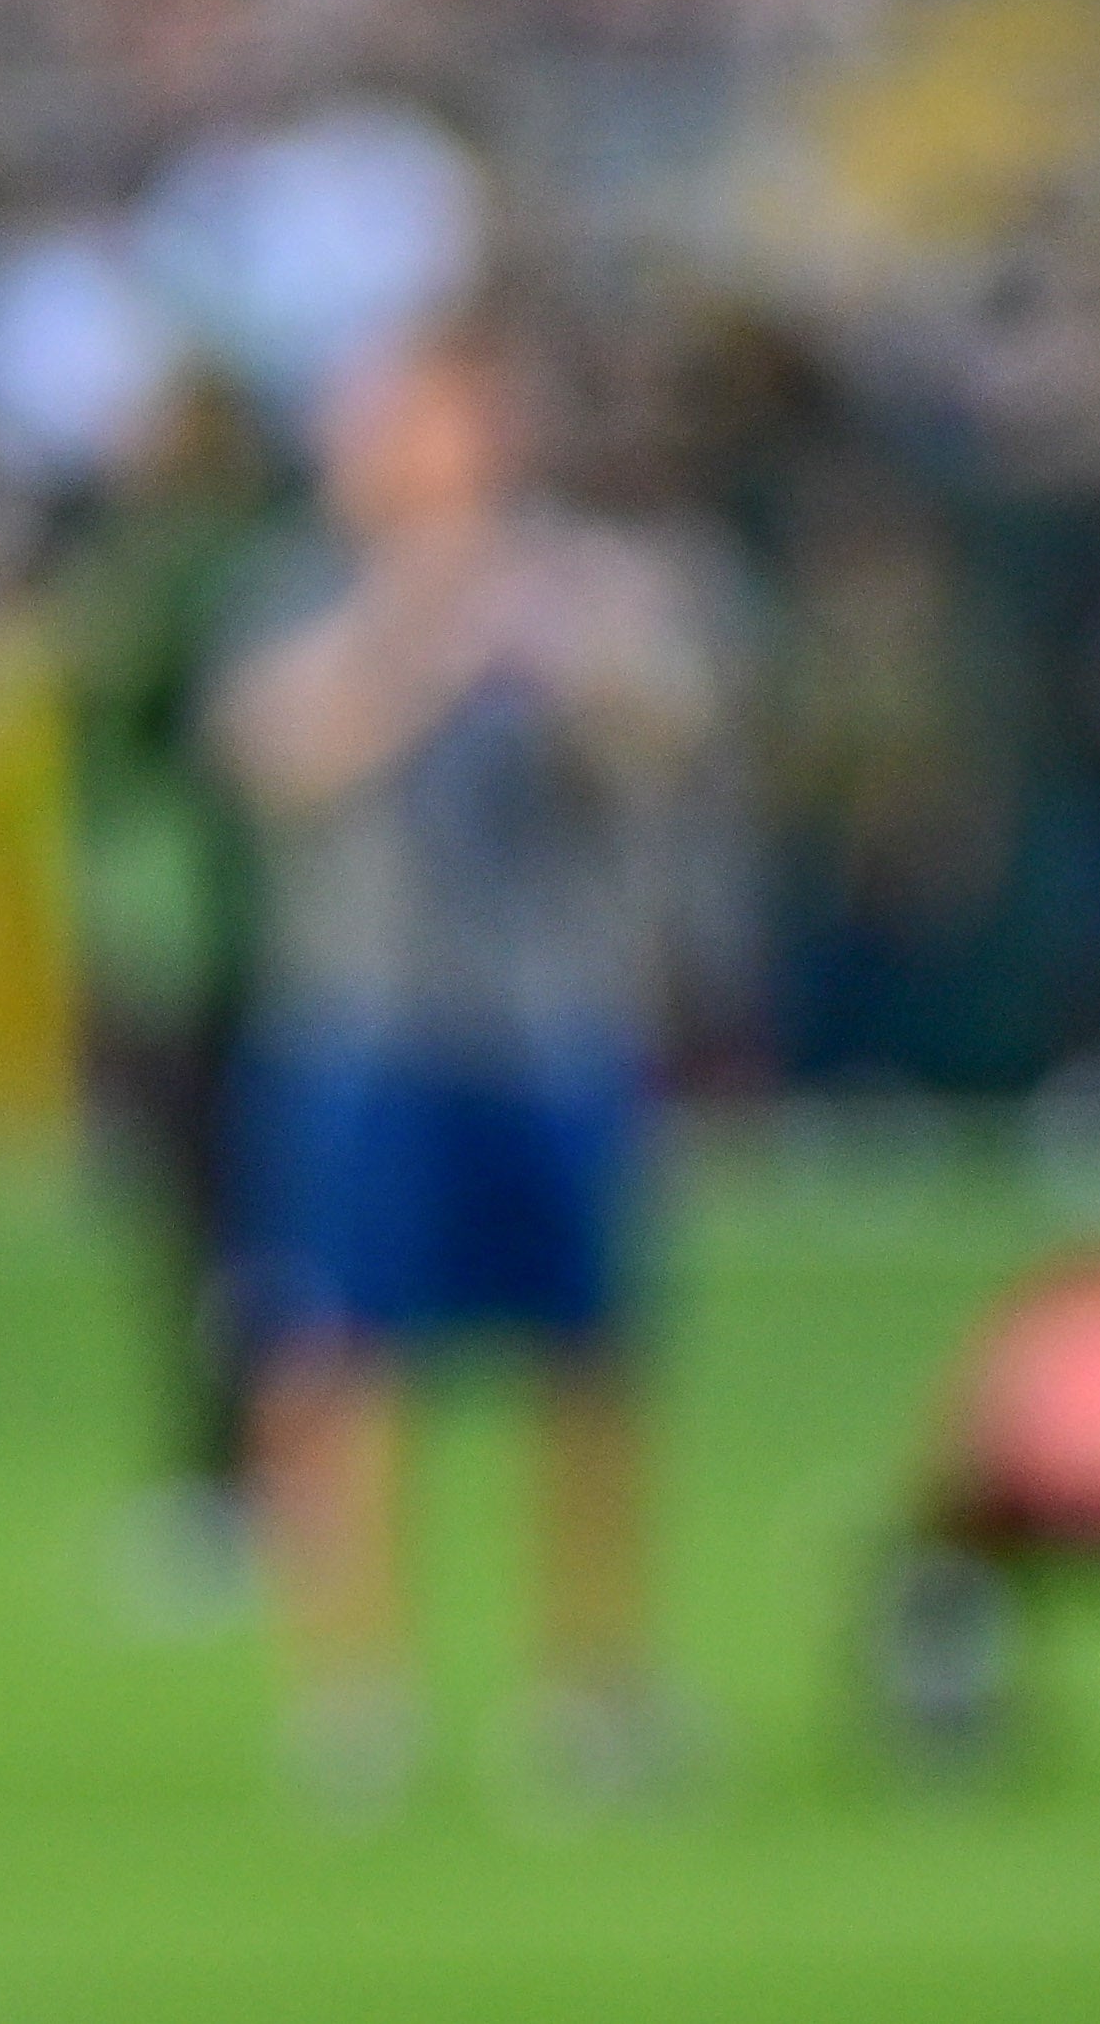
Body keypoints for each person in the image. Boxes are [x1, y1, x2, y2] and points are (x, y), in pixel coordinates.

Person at [217, 314, 718, 1802]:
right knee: (336, 1355)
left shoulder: (592, 585)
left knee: (592, 1357)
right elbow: (283, 763)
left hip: (553, 1014)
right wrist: (419, 643)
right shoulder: (296, 595)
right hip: (365, 1018)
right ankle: (351, 1689)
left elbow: (667, 744)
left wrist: (561, 661)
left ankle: (593, 1680)